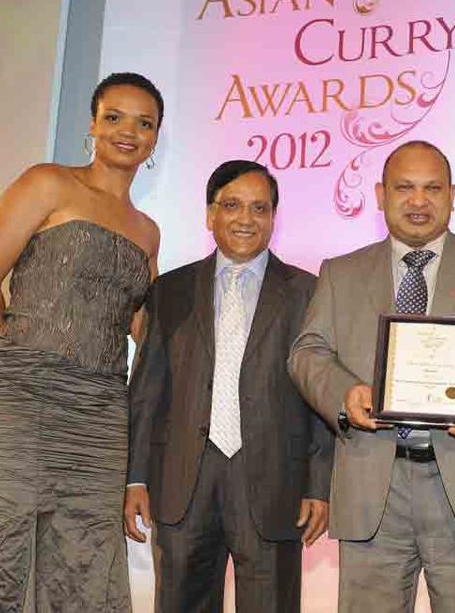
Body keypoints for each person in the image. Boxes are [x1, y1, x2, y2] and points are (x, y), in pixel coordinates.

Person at [0, 72, 163, 611]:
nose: (128, 132)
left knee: (84, 558)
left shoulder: (148, 232)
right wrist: (17, 357)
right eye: (114, 117)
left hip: (100, 415)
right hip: (19, 401)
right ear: (92, 125)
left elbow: (145, 329)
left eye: (144, 123)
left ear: (155, 139)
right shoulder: (48, 183)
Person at [288, 140, 455, 612]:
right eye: (404, 188)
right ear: (380, 195)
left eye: (432, 188)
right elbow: (307, 353)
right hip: (373, 490)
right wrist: (344, 395)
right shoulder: (340, 273)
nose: (418, 200)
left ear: (453, 195)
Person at [123, 160, 333, 612]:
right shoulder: (170, 290)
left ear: (274, 218)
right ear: (210, 215)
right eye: (232, 205)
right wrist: (135, 477)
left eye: (260, 208)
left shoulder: (310, 292)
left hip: (275, 484)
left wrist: (319, 485)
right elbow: (147, 392)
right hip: (182, 480)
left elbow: (320, 396)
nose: (246, 219)